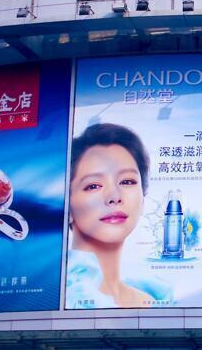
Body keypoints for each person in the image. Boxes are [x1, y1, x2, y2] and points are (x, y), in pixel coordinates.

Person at [67, 123, 157, 308]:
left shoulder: (150, 299)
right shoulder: (60, 295)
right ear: (66, 205)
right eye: (93, 186)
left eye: (127, 181)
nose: (114, 197)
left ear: (143, 197)